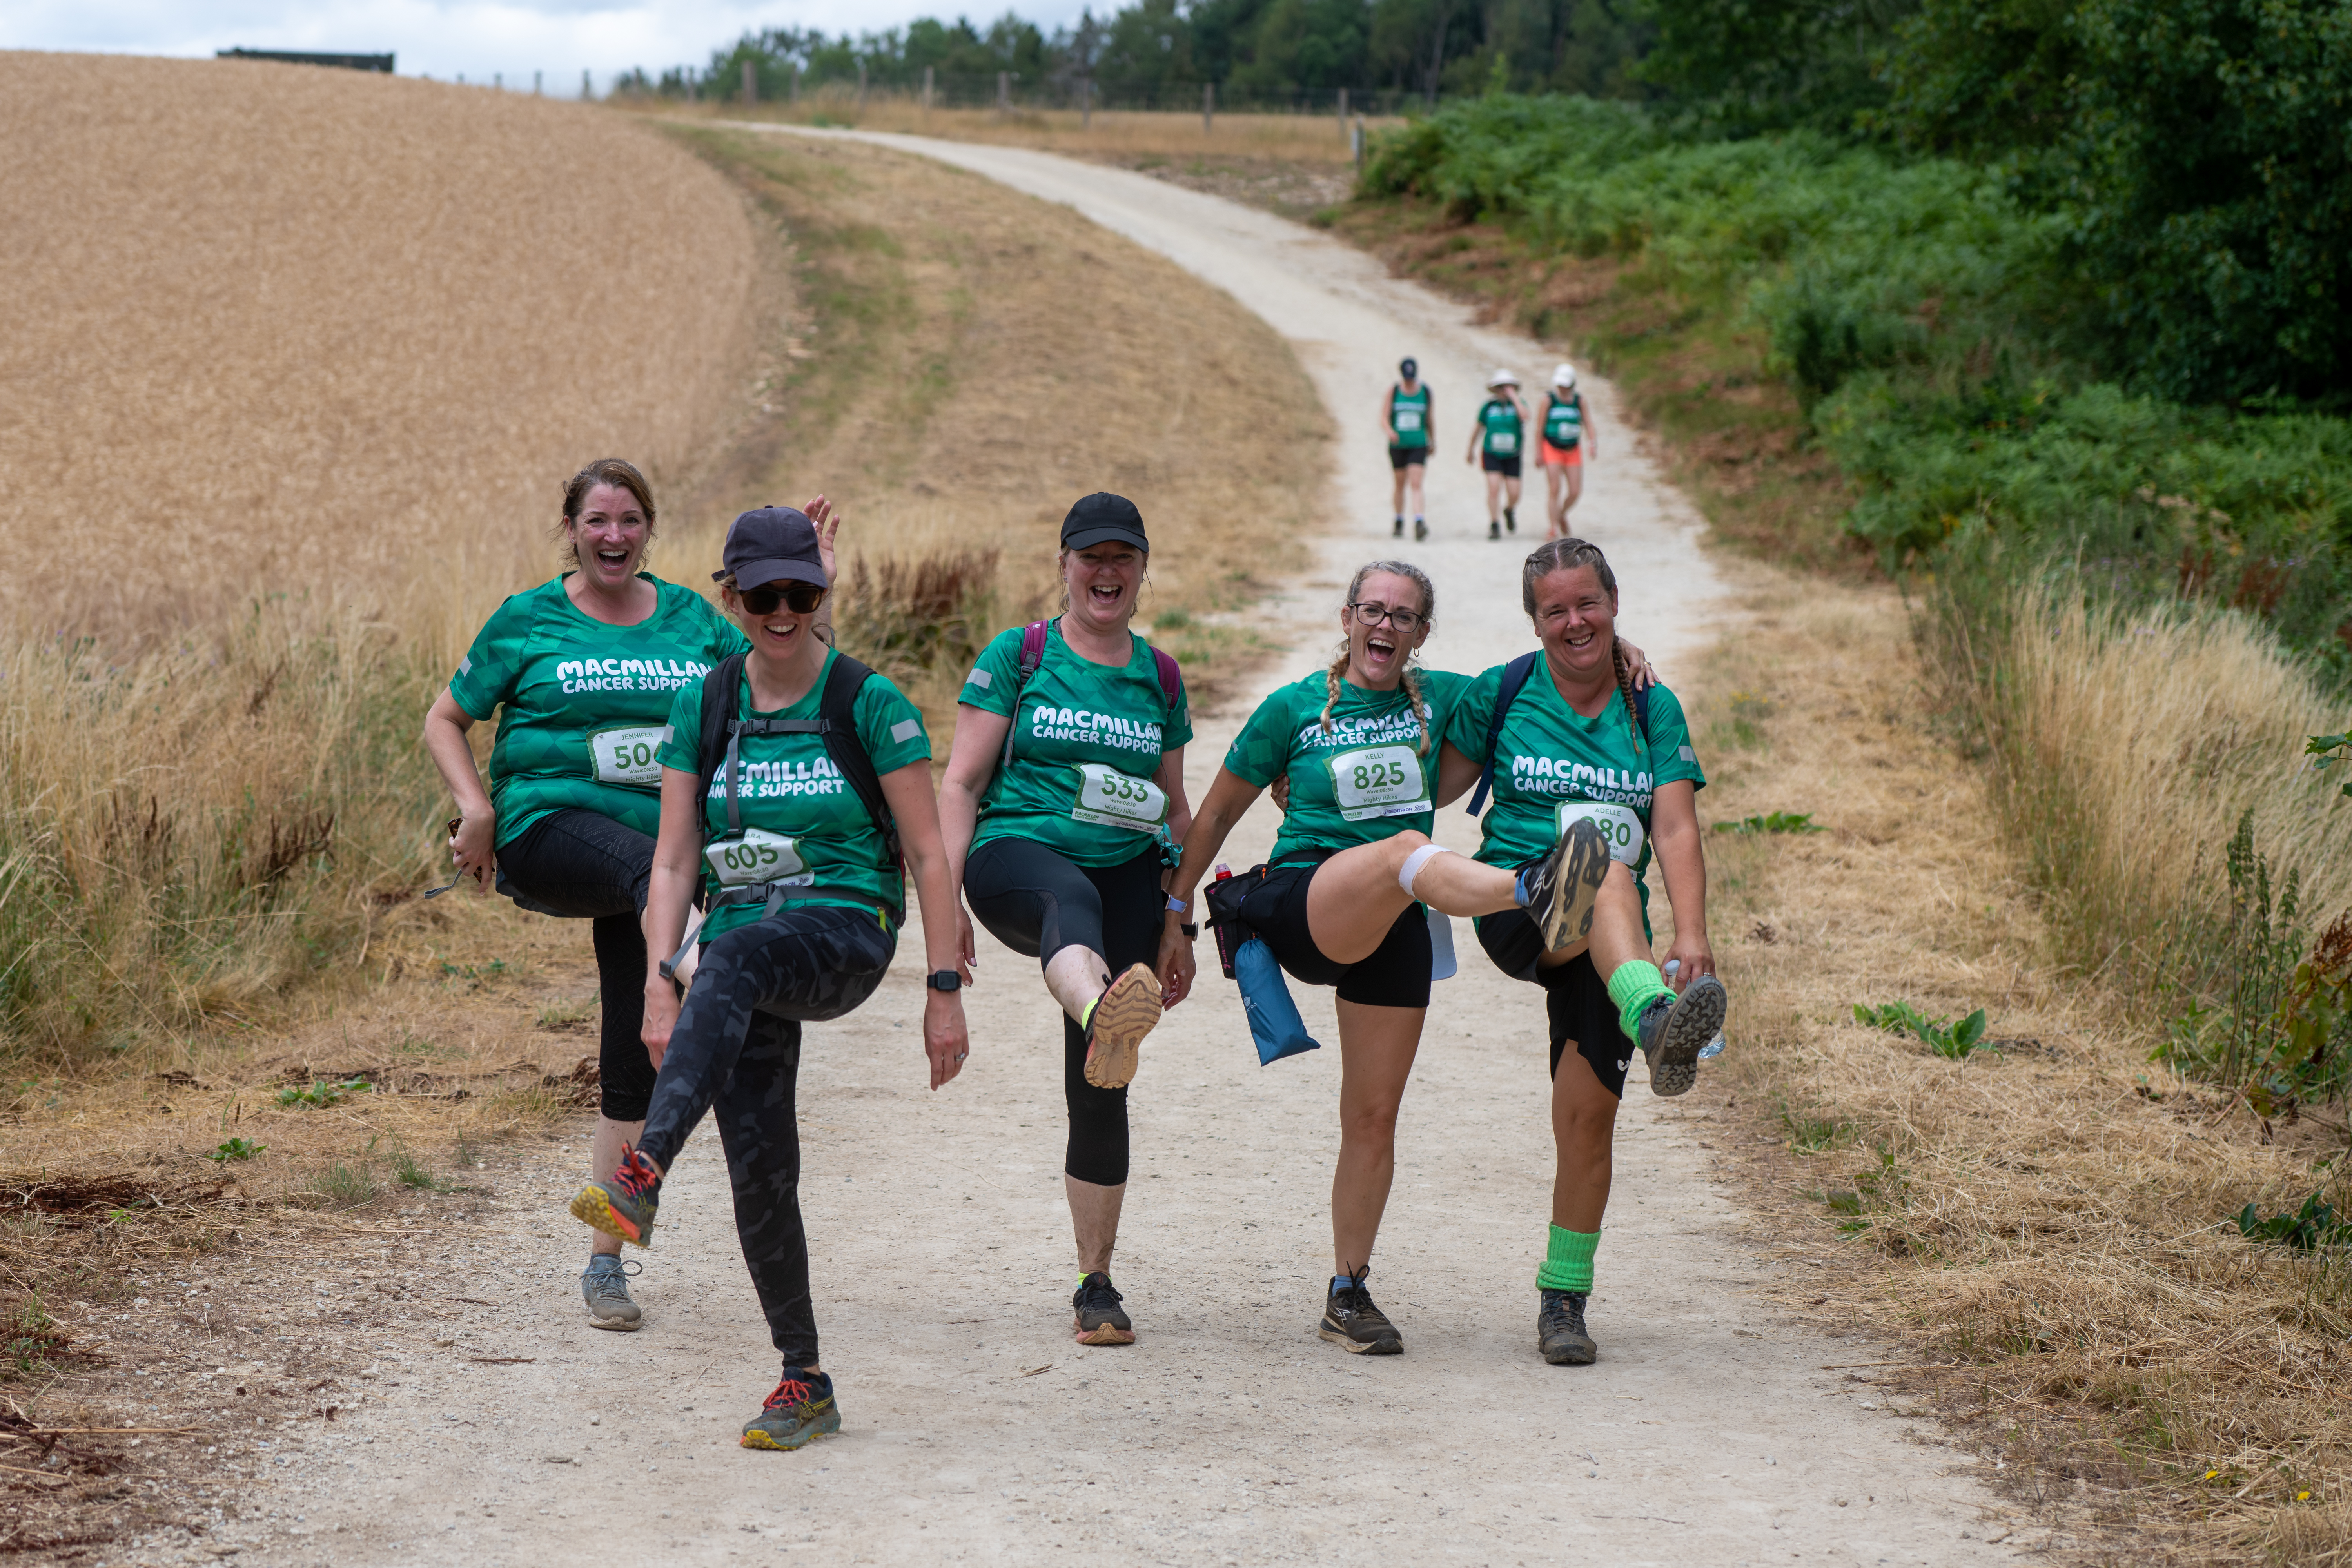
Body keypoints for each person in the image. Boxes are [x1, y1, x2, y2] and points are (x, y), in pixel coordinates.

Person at [568, 505, 970, 1453]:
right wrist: (662, 981)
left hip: (843, 930)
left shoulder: (869, 702)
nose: (783, 609)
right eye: (764, 594)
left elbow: (927, 851)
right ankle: (805, 1379)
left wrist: (943, 987)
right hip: (741, 958)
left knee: (736, 951)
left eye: (802, 592)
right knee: (760, 1166)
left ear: (821, 596)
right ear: (733, 598)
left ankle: (642, 1171)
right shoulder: (705, 703)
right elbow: (671, 864)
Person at [425, 459, 836, 1332]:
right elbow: (444, 718)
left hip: (661, 867)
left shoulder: (692, 618)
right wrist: (476, 804)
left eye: (630, 521)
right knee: (672, 906)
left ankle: (607, 1252)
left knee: (636, 1047)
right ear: (571, 528)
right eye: (598, 520)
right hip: (551, 829)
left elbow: (796, 673)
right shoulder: (528, 619)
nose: (614, 535)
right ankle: (711, 984)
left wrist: (810, 592)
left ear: (650, 530)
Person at [1159, 560, 1609, 1356]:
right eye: (1374, 609)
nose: (1386, 625)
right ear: (1347, 617)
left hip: (1398, 919)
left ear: (1421, 633)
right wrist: (1175, 913)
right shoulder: (1295, 707)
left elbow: (1545, 669)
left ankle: (1348, 1291)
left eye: (1404, 616)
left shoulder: (1442, 699)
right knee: (1407, 845)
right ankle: (1535, 887)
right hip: (1307, 898)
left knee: (1372, 1115)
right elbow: (1222, 807)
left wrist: (1621, 650)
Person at [1438, 536, 1727, 1368]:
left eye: (1588, 604)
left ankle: (1563, 1298)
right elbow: (1416, 752)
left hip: (1611, 943)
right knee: (1598, 854)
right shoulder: (1503, 693)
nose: (1575, 621)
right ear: (1534, 622)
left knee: (1588, 1113)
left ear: (1613, 604)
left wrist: (1693, 932)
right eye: (1556, 609)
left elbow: (1674, 824)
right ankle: (1655, 1017)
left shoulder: (1650, 706)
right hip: (1519, 907)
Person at [939, 493, 1193, 1347]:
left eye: (1124, 558)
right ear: (1064, 564)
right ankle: (1102, 1009)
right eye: (1092, 556)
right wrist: (942, 906)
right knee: (1068, 901)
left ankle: (1098, 1283)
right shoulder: (1021, 654)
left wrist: (1176, 921)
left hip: (1126, 871)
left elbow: (1174, 808)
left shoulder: (1159, 676)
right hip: (1019, 856)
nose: (1107, 573)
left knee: (1101, 1086)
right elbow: (961, 783)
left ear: (1143, 568)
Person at [1466, 368, 1530, 540]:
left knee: (1514, 492)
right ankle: (1495, 524)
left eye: (1507, 387)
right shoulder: (1488, 407)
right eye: (1500, 387)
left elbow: (1525, 416)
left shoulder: (1519, 405)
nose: (1504, 390)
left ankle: (1509, 509)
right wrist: (1470, 449)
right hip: (1492, 453)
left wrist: (1514, 397)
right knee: (1494, 488)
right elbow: (1478, 428)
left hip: (1512, 454)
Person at [1538, 363, 1598, 538]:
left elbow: (1588, 423)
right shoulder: (1548, 400)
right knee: (1555, 488)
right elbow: (1540, 428)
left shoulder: (1579, 401)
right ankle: (1553, 527)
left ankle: (1561, 513)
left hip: (1573, 449)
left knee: (1574, 491)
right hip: (1552, 448)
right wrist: (1539, 452)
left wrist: (1593, 443)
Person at [1384, 358, 1433, 542]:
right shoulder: (1395, 391)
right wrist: (1390, 431)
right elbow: (1384, 417)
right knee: (1400, 484)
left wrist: (1433, 440)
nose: (1410, 381)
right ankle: (1399, 519)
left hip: (1418, 443)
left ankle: (1419, 520)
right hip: (1398, 445)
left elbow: (1429, 419)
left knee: (1416, 483)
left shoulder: (1425, 392)